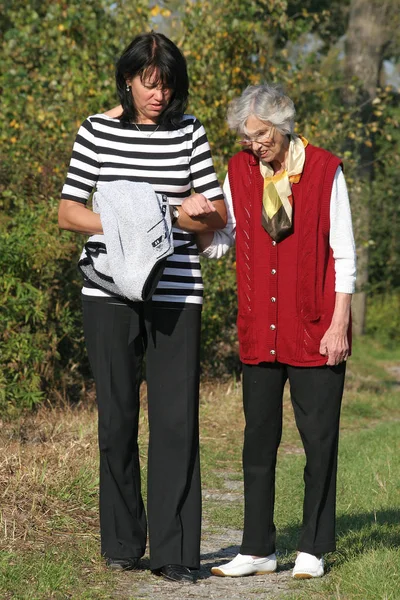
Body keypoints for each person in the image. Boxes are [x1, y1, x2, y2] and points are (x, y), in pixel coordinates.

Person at [58, 31, 226, 584]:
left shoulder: (190, 130)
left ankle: (175, 551)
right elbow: (69, 212)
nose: (159, 95)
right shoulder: (96, 129)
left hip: (177, 289)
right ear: (128, 79)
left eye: (168, 85)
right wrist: (139, 220)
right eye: (149, 84)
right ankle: (123, 543)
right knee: (117, 419)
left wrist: (190, 213)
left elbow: (214, 214)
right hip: (108, 291)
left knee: (176, 421)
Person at [199, 83, 356, 579]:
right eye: (248, 137)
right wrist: (198, 223)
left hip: (314, 329)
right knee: (258, 441)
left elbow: (345, 254)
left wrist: (338, 324)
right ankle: (257, 548)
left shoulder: (325, 170)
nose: (254, 145)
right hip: (259, 331)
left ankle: (312, 547)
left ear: (283, 126)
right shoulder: (239, 171)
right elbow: (225, 241)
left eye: (262, 135)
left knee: (319, 439)